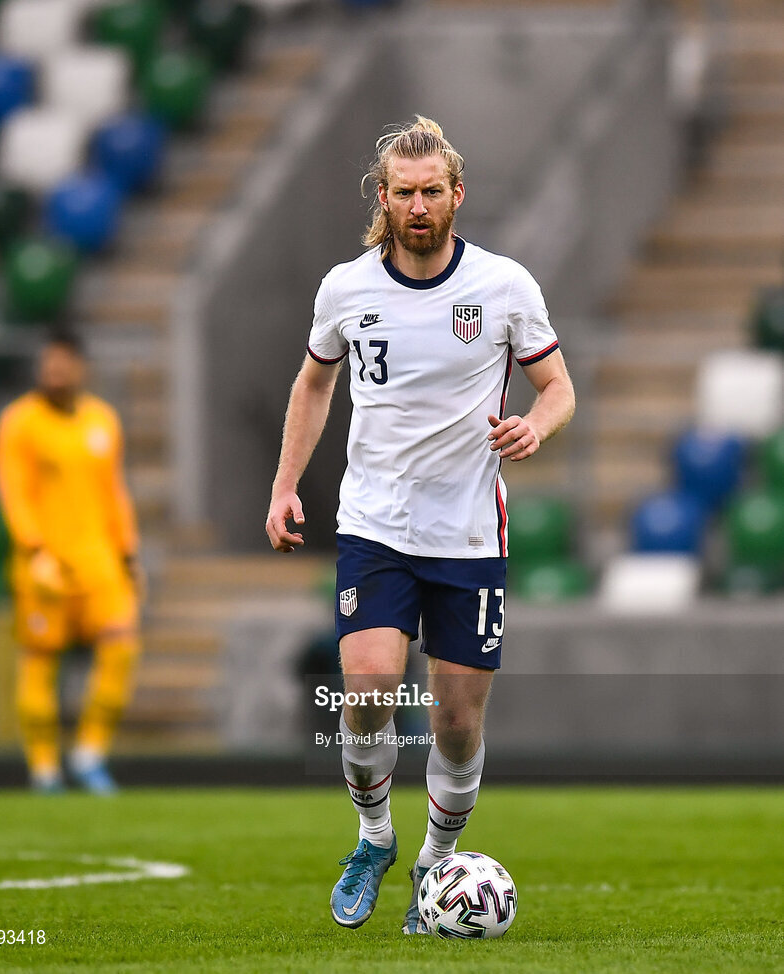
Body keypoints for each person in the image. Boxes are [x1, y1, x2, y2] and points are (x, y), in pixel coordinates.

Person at [266, 116, 575, 933]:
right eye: (403, 192)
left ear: (456, 194)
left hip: (470, 533)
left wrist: (536, 427)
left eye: (432, 190)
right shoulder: (346, 288)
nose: (418, 205)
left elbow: (558, 388)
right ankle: (374, 838)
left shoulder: (504, 286)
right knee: (366, 687)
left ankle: (436, 863)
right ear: (384, 197)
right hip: (374, 523)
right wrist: (286, 485)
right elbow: (312, 385)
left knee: (456, 719)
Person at [0, 332, 143, 794]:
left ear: (80, 367)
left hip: (99, 558)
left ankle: (89, 752)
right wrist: (33, 549)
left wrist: (128, 552)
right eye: (47, 365)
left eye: (62, 365)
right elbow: (14, 492)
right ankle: (43, 768)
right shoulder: (20, 422)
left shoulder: (102, 420)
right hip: (45, 561)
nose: (54, 373)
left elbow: (114, 491)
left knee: (121, 644)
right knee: (40, 661)